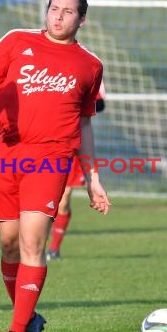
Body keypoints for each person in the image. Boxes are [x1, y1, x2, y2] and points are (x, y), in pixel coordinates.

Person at [0, 0, 111, 332]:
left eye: (68, 11)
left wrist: (92, 178)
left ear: (82, 19)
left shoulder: (89, 65)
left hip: (52, 158)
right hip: (8, 155)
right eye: (54, 8)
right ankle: (30, 320)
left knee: (31, 243)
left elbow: (86, 124)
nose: (58, 16)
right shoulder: (16, 41)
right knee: (9, 244)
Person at [46, 82, 106, 261]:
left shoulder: (88, 66)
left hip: (73, 144)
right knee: (42, 198)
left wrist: (73, 103)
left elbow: (100, 104)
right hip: (46, 142)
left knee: (62, 200)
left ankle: (54, 249)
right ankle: (33, 245)